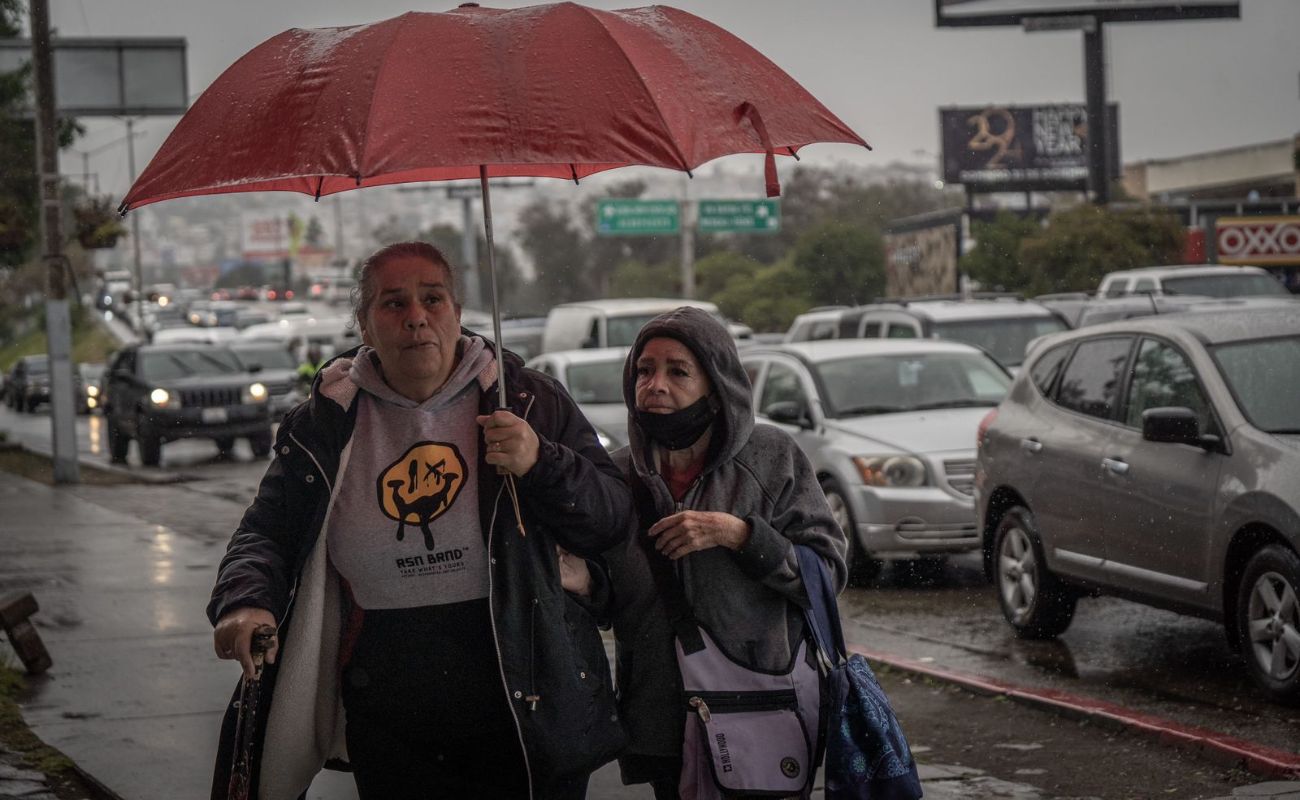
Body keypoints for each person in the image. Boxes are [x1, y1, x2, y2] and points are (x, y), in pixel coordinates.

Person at [207, 241, 632, 800]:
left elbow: (609, 517)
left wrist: (540, 462)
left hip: (523, 682)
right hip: (387, 695)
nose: (416, 318)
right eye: (392, 303)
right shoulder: (324, 425)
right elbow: (267, 532)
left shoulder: (527, 402)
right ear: (364, 322)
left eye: (433, 298)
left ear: (457, 312)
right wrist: (245, 599)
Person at [603, 306, 848, 798]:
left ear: (716, 387)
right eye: (644, 370)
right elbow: (607, 599)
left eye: (678, 371)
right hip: (661, 717)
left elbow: (826, 572)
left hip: (758, 700)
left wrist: (739, 535)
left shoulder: (772, 457)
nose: (655, 385)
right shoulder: (616, 474)